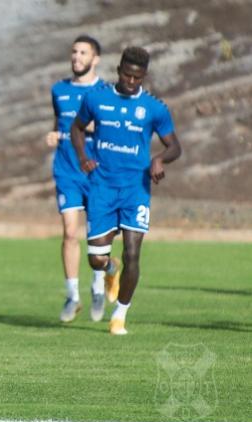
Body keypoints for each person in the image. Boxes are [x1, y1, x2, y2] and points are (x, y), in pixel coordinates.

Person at [70, 46, 182, 335]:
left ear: (144, 76)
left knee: (134, 253)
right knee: (95, 259)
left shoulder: (154, 108)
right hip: (102, 188)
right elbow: (77, 128)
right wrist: (83, 156)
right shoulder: (96, 98)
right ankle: (110, 270)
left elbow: (175, 146)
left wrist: (158, 159)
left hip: (136, 189)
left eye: (138, 77)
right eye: (127, 75)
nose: (131, 82)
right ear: (119, 70)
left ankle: (120, 315)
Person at [46, 35, 111, 323]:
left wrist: (99, 126)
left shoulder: (106, 91)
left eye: (83, 53)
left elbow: (116, 129)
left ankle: (100, 284)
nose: (77, 57)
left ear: (95, 59)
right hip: (66, 170)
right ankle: (73, 295)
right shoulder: (58, 90)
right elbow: (58, 124)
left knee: (97, 236)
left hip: (97, 170)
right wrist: (53, 134)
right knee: (71, 233)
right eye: (74, 52)